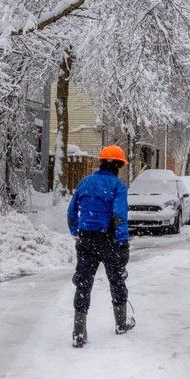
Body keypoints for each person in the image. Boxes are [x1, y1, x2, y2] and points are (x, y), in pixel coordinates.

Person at [67, 145, 134, 347]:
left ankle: (79, 332)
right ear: (117, 165)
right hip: (110, 240)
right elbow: (120, 216)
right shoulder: (117, 186)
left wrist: (77, 231)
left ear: (102, 162)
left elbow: (71, 213)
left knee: (83, 283)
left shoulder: (85, 183)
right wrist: (122, 242)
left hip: (87, 239)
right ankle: (121, 323)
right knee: (117, 280)